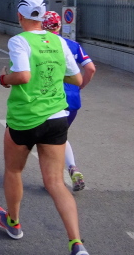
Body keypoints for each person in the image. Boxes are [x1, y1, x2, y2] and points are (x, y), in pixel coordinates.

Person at [0, 0, 88, 255]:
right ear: (44, 16)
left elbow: (23, 75)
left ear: (19, 16)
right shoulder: (59, 41)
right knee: (55, 182)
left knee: (14, 171)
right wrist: (53, 74)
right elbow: (77, 79)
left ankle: (14, 223)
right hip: (56, 117)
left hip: (24, 118)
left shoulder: (19, 40)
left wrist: (4, 79)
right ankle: (77, 244)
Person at [42, 11, 97, 191]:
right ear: (59, 26)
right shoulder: (73, 45)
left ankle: (58, 177)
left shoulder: (42, 46)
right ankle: (70, 169)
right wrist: (80, 86)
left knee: (51, 139)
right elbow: (90, 68)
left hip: (53, 99)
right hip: (73, 100)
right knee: (60, 135)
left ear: (42, 26)